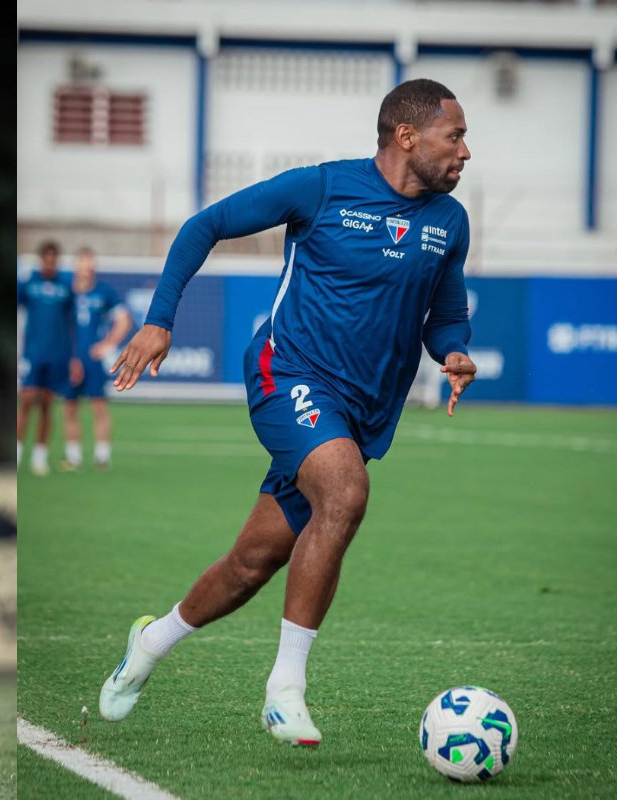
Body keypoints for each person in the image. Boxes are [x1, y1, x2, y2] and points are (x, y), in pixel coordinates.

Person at [98, 78, 477, 747]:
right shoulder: (322, 188)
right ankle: (285, 689)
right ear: (406, 136)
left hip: (361, 414)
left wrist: (454, 354)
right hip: (288, 374)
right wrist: (160, 321)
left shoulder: (450, 222)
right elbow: (204, 225)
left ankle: (150, 644)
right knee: (346, 491)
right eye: (456, 136)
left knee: (252, 562)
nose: (466, 152)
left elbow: (443, 315)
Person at [61, 247, 132, 470]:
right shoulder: (66, 292)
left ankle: (102, 457)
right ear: (76, 266)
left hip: (93, 360)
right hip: (69, 358)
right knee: (70, 407)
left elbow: (124, 320)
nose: (88, 267)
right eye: (84, 263)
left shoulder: (103, 292)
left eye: (91, 263)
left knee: (98, 406)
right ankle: (73, 457)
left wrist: (108, 344)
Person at [16, 240, 74, 476]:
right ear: (41, 259)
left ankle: (40, 457)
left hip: (57, 354)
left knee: (47, 405)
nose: (50, 263)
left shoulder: (66, 286)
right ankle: (18, 455)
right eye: (46, 258)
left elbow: (72, 320)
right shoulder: (29, 284)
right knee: (27, 400)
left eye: (54, 259)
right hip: (33, 352)